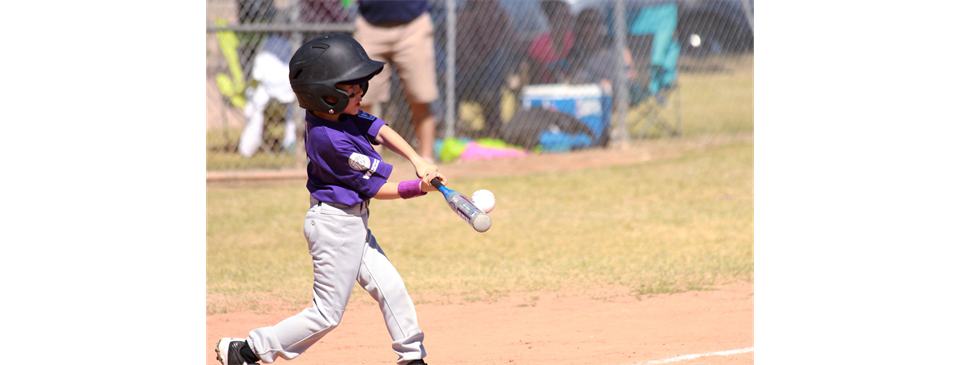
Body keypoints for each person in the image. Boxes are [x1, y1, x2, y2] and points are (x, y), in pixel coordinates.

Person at [216, 34, 443, 365]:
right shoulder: (330, 140)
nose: (360, 95)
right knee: (326, 315)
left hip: (350, 223)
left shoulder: (339, 115)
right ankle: (248, 350)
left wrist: (418, 160)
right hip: (335, 228)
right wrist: (420, 188)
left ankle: (412, 358)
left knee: (390, 287)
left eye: (359, 87)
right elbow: (377, 189)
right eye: (351, 91)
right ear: (326, 97)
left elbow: (379, 129)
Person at [352, 0, 439, 162]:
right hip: (369, 25)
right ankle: (370, 163)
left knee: (421, 97)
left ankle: (427, 162)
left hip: (414, 25)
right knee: (362, 99)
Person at [237, 34, 298, 157]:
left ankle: (247, 149)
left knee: (256, 100)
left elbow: (256, 74)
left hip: (284, 85)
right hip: (284, 85)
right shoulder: (273, 44)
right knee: (257, 100)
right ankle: (248, 148)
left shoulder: (271, 44)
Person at [524, 0, 575, 84]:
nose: (568, 19)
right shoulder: (539, 44)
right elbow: (534, 73)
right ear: (551, 19)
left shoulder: (575, 39)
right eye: (563, 16)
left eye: (569, 15)